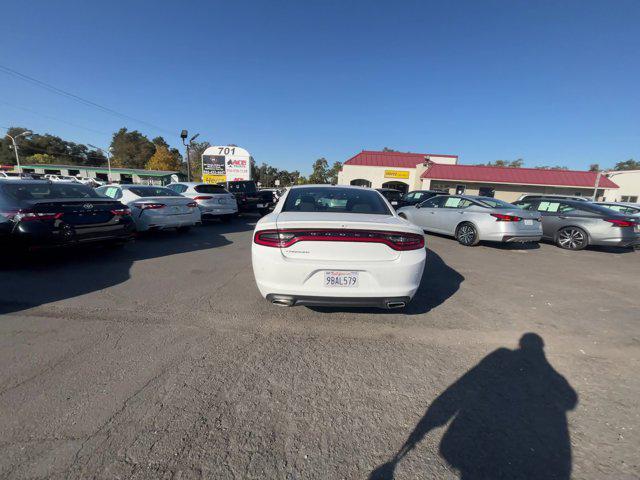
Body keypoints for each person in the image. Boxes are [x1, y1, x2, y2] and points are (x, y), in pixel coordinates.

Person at [370, 333, 578, 480]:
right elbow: (570, 400)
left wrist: (426, 426)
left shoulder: (502, 356)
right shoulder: (550, 376)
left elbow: (459, 389)